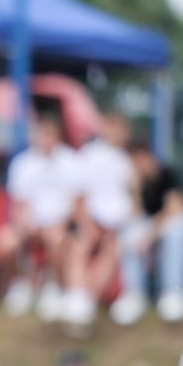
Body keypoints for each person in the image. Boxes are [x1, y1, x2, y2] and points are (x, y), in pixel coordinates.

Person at [0, 112, 80, 321]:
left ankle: (53, 287)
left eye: (49, 136)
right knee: (5, 243)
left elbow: (76, 202)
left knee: (56, 239)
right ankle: (22, 284)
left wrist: (58, 223)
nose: (45, 141)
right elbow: (18, 204)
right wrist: (26, 224)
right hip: (30, 223)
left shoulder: (70, 160)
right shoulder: (22, 163)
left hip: (60, 223)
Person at [115, 140, 183, 325]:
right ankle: (134, 293)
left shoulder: (167, 174)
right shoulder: (138, 183)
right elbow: (135, 216)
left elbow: (175, 209)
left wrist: (149, 237)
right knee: (129, 237)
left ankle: (173, 292)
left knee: (175, 233)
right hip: (155, 228)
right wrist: (136, 190)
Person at [64, 114, 136, 330]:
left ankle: (87, 301)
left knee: (112, 248)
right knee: (80, 245)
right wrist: (88, 225)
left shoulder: (125, 160)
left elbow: (133, 199)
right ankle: (79, 297)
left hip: (118, 225)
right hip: (93, 221)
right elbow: (77, 198)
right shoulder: (89, 156)